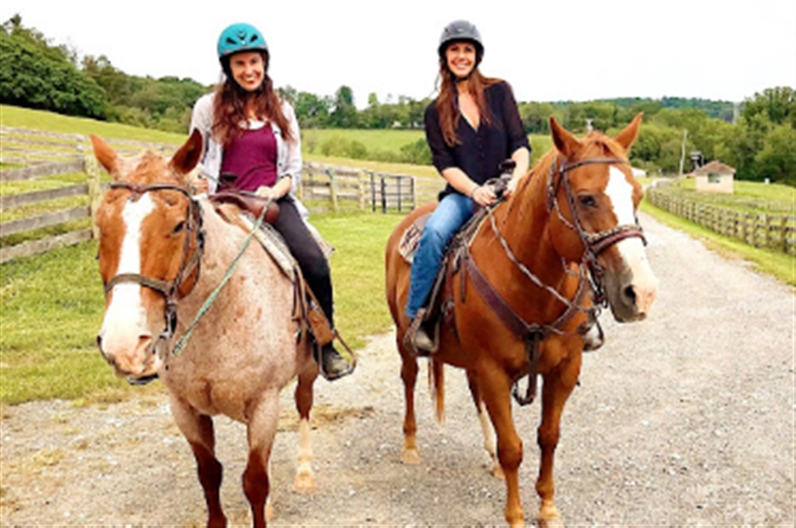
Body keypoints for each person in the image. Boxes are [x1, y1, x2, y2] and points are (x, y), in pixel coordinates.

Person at [189, 22, 354, 381]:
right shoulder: (207, 108)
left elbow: (293, 169)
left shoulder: (282, 109)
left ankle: (325, 345)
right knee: (181, 259)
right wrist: (195, 179)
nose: (248, 70)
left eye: (254, 61)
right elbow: (194, 157)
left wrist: (274, 191)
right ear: (228, 68)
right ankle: (165, 343)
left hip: (272, 204)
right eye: (239, 64)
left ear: (265, 62)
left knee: (314, 262)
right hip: (222, 204)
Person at [405, 20, 531, 353]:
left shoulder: (499, 92)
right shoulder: (435, 111)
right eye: (454, 50)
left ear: (477, 56)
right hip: (463, 195)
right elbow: (445, 164)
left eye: (467, 50)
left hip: (508, 189)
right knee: (434, 234)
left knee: (552, 225)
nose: (461, 56)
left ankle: (582, 314)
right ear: (444, 56)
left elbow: (520, 143)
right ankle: (420, 317)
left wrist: (517, 179)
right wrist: (474, 190)